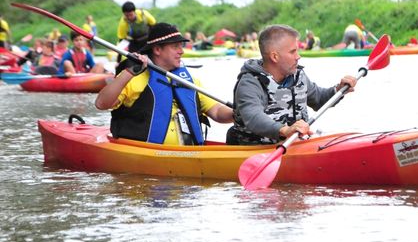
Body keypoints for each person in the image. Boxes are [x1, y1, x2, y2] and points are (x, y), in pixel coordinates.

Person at [95, 23, 233, 145]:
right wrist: (128, 72)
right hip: (145, 153)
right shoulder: (133, 78)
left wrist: (240, 113)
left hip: (189, 153)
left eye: (181, 46)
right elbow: (101, 104)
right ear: (157, 50)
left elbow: (217, 112)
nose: (182, 51)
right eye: (175, 46)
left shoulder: (189, 81)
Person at [226, 24, 357, 145]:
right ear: (275, 57)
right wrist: (285, 130)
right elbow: (253, 117)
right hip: (255, 150)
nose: (298, 56)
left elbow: (319, 99)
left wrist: (339, 90)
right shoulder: (250, 83)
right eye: (292, 51)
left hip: (295, 144)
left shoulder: (298, 75)